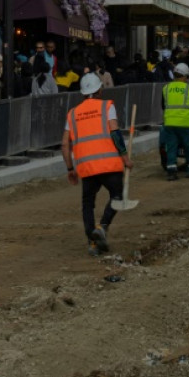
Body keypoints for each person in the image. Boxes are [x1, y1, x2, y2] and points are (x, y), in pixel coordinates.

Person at [61, 72, 134, 256]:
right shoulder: (106, 107)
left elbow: (64, 144)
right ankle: (102, 227)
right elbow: (115, 133)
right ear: (99, 90)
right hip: (109, 164)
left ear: (83, 93)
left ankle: (92, 243)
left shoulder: (73, 114)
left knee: (87, 204)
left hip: (87, 168)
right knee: (117, 195)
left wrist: (70, 169)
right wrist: (125, 157)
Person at [161, 62, 189, 180]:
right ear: (184, 76)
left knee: (171, 147)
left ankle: (171, 171)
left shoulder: (166, 88)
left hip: (169, 123)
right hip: (184, 123)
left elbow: (163, 106)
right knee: (188, 147)